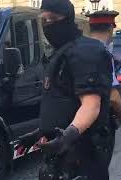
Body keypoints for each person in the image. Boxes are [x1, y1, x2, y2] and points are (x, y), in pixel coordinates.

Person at [37, 0, 114, 179]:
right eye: (44, 20)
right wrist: (40, 132)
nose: (48, 25)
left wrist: (68, 136)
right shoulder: (60, 53)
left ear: (68, 19)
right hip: (61, 158)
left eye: (54, 18)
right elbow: (60, 101)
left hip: (82, 156)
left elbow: (91, 105)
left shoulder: (84, 52)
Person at [86, 10, 121, 165]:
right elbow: (112, 97)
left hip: (77, 123)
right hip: (100, 125)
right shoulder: (103, 53)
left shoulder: (75, 50)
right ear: (111, 28)